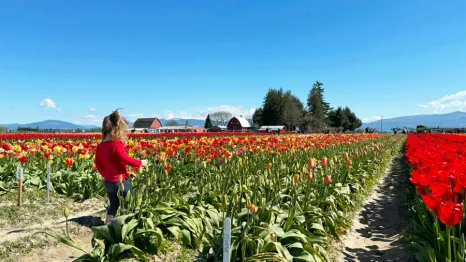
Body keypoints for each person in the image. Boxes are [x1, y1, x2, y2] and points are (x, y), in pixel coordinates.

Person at [94, 110, 148, 223]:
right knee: (131, 201)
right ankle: (132, 223)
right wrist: (140, 163)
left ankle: (108, 226)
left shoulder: (100, 146)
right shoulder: (116, 144)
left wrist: (106, 175)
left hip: (108, 181)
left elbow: (98, 164)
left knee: (113, 205)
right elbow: (125, 159)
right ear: (117, 129)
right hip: (121, 181)